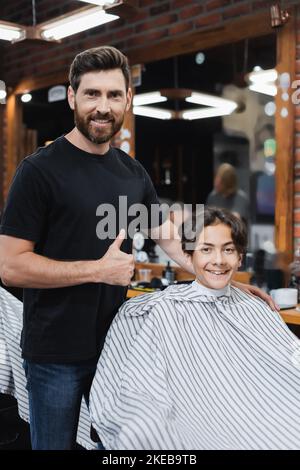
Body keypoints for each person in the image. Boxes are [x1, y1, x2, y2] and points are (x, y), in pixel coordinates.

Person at [0, 46, 276, 450]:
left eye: (114, 95)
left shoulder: (132, 174)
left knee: (118, 447)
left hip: (117, 350)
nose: (103, 107)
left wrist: (222, 280)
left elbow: (170, 241)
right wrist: (97, 270)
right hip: (53, 354)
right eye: (92, 94)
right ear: (73, 96)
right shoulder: (39, 171)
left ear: (128, 99)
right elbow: (10, 266)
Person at [89, 207, 300, 450]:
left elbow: (290, 359)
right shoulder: (158, 310)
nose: (219, 260)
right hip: (197, 424)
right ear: (189, 256)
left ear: (240, 258)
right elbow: (136, 386)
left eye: (228, 250)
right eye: (206, 249)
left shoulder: (256, 308)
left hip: (264, 416)